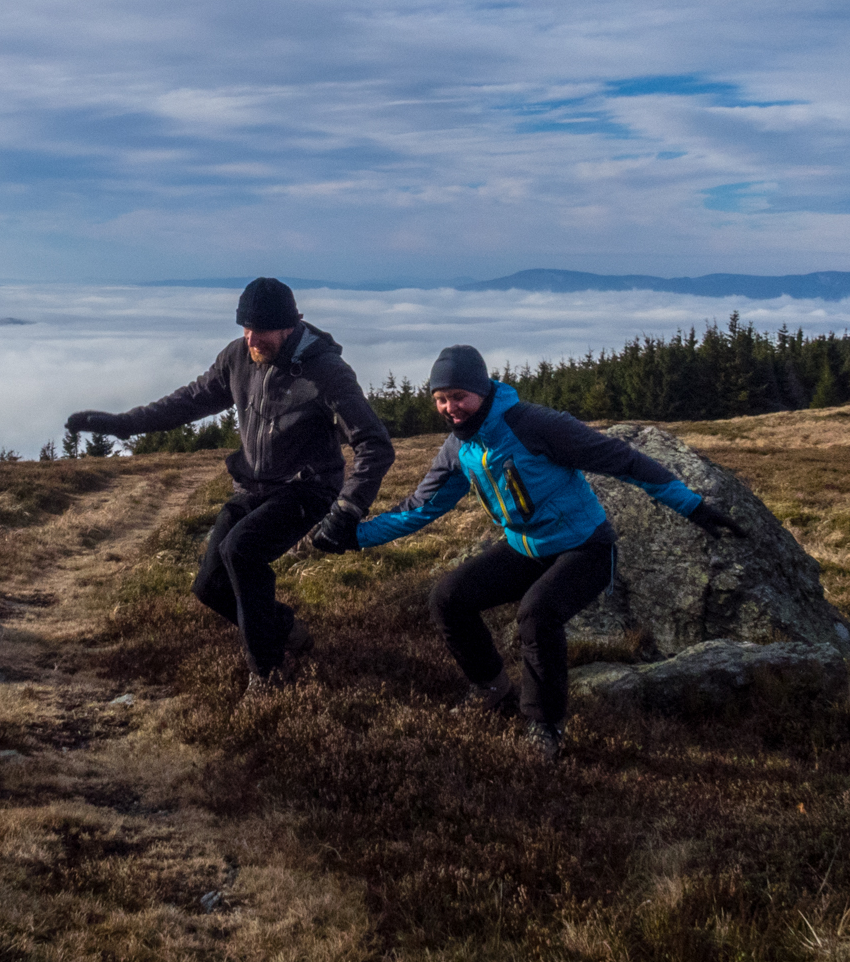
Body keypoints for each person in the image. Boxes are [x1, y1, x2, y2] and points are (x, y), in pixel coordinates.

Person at [305, 343, 749, 759]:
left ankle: (546, 725)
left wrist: (694, 507)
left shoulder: (535, 425)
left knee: (537, 614)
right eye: (440, 399)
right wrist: (355, 537)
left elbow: (623, 460)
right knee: (448, 598)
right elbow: (420, 508)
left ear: (481, 390)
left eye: (458, 396)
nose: (449, 408)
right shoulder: (459, 447)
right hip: (525, 548)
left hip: (586, 548)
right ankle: (492, 690)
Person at [67, 277, 394, 692]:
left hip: (308, 489)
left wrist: (348, 509)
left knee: (242, 552)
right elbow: (189, 401)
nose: (251, 337)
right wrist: (123, 424)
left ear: (290, 325)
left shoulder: (326, 370)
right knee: (209, 587)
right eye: (245, 327)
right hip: (254, 487)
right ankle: (287, 629)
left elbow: (374, 445)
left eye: (261, 329)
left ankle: (268, 674)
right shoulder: (238, 357)